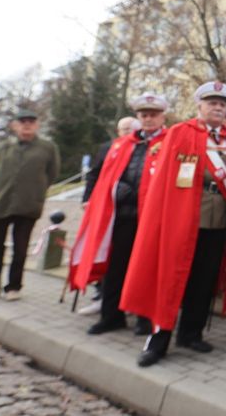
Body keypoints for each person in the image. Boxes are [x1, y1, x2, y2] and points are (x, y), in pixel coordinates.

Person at [120, 81, 226, 368]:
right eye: (212, 102)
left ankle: (191, 332)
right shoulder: (180, 133)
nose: (217, 107)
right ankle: (159, 339)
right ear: (199, 106)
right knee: (172, 278)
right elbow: (163, 181)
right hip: (183, 220)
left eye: (222, 104)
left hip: (217, 221)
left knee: (204, 280)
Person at [69, 94, 169, 337]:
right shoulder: (122, 145)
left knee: (146, 268)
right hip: (122, 216)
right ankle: (111, 315)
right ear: (138, 117)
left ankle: (145, 318)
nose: (148, 118)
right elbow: (105, 177)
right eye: (144, 114)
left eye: (153, 114)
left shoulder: (170, 142)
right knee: (116, 268)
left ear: (162, 116)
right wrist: (116, 188)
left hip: (151, 218)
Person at [0, 108, 60, 302]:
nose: (27, 124)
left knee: (20, 248)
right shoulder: (2, 147)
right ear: (15, 125)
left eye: (31, 121)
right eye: (22, 121)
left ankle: (13, 287)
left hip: (28, 205)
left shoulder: (47, 147)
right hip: (0, 203)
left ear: (37, 125)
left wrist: (36, 191)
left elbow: (51, 174)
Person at [83, 116, 140, 207]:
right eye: (126, 129)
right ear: (119, 132)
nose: (130, 132)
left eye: (133, 129)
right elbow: (94, 173)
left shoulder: (145, 147)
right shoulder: (108, 149)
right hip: (112, 199)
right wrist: (87, 198)